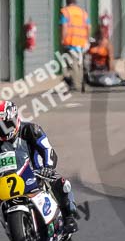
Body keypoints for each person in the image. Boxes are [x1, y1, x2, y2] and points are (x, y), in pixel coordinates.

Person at [0, 100, 78, 233]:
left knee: (60, 182)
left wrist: (48, 167)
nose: (3, 130)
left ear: (15, 118)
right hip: (9, 181)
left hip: (35, 172)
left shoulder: (31, 129)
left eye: (6, 125)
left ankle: (69, 216)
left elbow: (48, 150)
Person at [60, 0, 90, 91]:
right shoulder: (83, 12)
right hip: (81, 42)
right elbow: (88, 26)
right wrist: (86, 39)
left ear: (67, 2)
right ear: (75, 2)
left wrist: (63, 39)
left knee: (70, 64)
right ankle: (80, 83)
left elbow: (64, 26)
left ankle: (74, 84)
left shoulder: (65, 12)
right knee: (79, 63)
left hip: (70, 42)